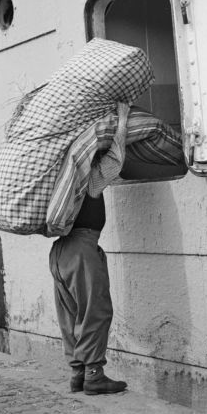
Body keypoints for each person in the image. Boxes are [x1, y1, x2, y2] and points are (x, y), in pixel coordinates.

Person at [48, 103, 131, 395]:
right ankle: (94, 375)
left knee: (70, 312)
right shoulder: (88, 178)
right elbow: (116, 160)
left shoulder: (59, 179)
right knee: (94, 310)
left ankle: (78, 374)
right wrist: (121, 119)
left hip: (59, 253)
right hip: (82, 249)